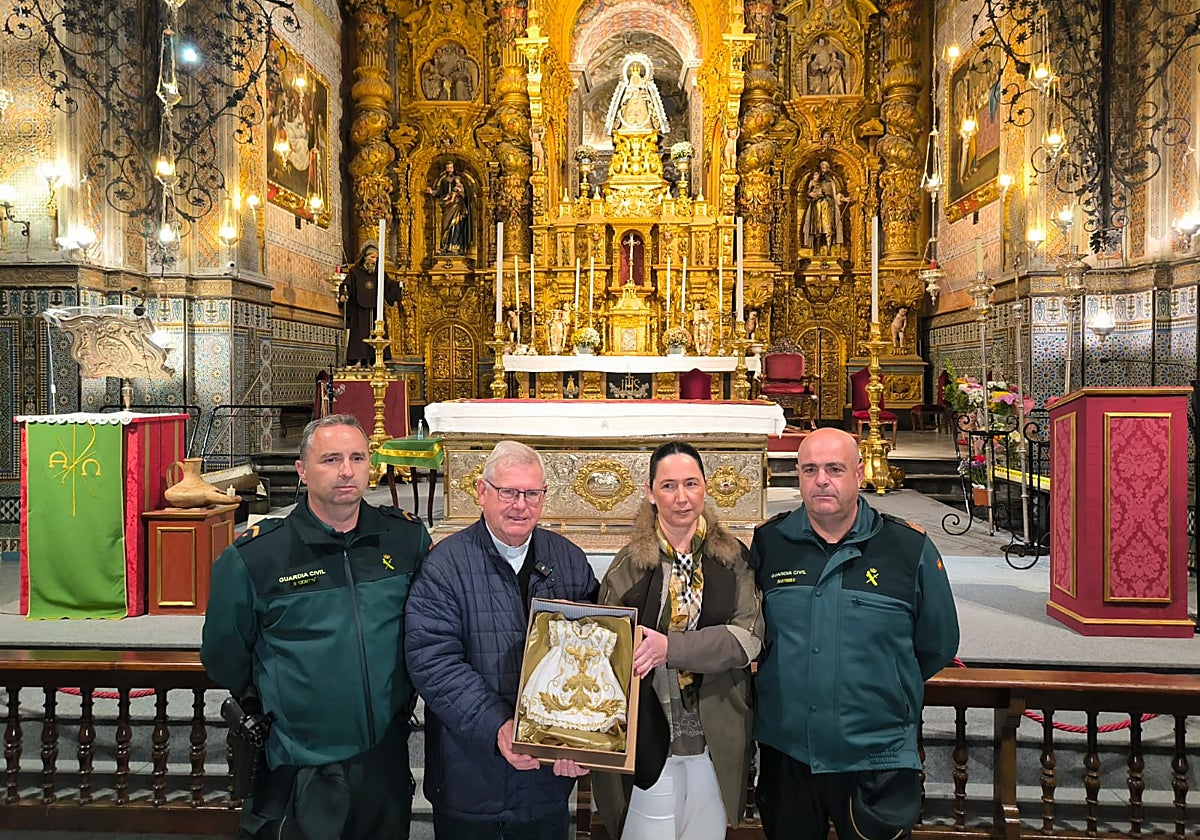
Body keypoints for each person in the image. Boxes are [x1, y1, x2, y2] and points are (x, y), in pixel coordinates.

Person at [201, 414, 432, 840]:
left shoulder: (406, 541)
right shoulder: (256, 556)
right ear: (302, 470)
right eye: (330, 459)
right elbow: (223, 654)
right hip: (300, 761)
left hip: (383, 756)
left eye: (357, 458)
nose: (347, 471)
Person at [750, 428, 960, 840]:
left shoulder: (907, 547)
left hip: (875, 755)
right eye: (810, 469)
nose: (821, 480)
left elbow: (936, 644)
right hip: (789, 752)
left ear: (860, 473)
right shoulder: (771, 542)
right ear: (797, 474)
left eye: (834, 469)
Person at [405, 440, 600, 839]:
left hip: (544, 784)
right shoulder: (446, 565)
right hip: (470, 778)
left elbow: (597, 653)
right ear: (481, 492)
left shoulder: (568, 560)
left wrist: (582, 741)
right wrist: (497, 726)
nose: (520, 505)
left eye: (532, 494)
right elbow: (433, 661)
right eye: (508, 492)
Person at [592, 441, 762, 840]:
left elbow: (747, 639)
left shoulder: (732, 558)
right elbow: (605, 657)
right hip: (650, 739)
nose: (682, 498)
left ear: (705, 488)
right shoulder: (628, 566)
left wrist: (671, 649)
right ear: (650, 493)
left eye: (691, 484)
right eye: (668, 486)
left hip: (713, 736)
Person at [338, 243, 402, 366]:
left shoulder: (379, 273)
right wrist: (344, 295)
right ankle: (357, 361)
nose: (375, 260)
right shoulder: (355, 272)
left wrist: (399, 285)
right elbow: (347, 286)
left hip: (375, 309)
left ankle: (373, 361)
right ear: (365, 257)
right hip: (359, 310)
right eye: (372, 257)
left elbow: (389, 286)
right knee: (359, 335)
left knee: (375, 334)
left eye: (376, 258)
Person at [427, 161, 471, 255]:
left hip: (457, 205)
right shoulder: (443, 181)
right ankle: (445, 245)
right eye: (447, 168)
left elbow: (465, 194)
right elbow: (440, 192)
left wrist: (459, 193)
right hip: (447, 206)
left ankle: (455, 246)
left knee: (456, 224)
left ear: (453, 169)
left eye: (451, 168)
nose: (449, 170)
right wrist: (432, 192)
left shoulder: (459, 181)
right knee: (445, 225)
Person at [801, 159, 844, 254]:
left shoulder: (832, 181)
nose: (824, 169)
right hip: (817, 206)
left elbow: (836, 194)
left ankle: (829, 250)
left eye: (826, 167)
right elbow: (808, 192)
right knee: (817, 228)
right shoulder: (814, 180)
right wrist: (811, 194)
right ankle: (817, 251)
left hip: (828, 206)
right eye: (823, 166)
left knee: (828, 227)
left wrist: (844, 199)